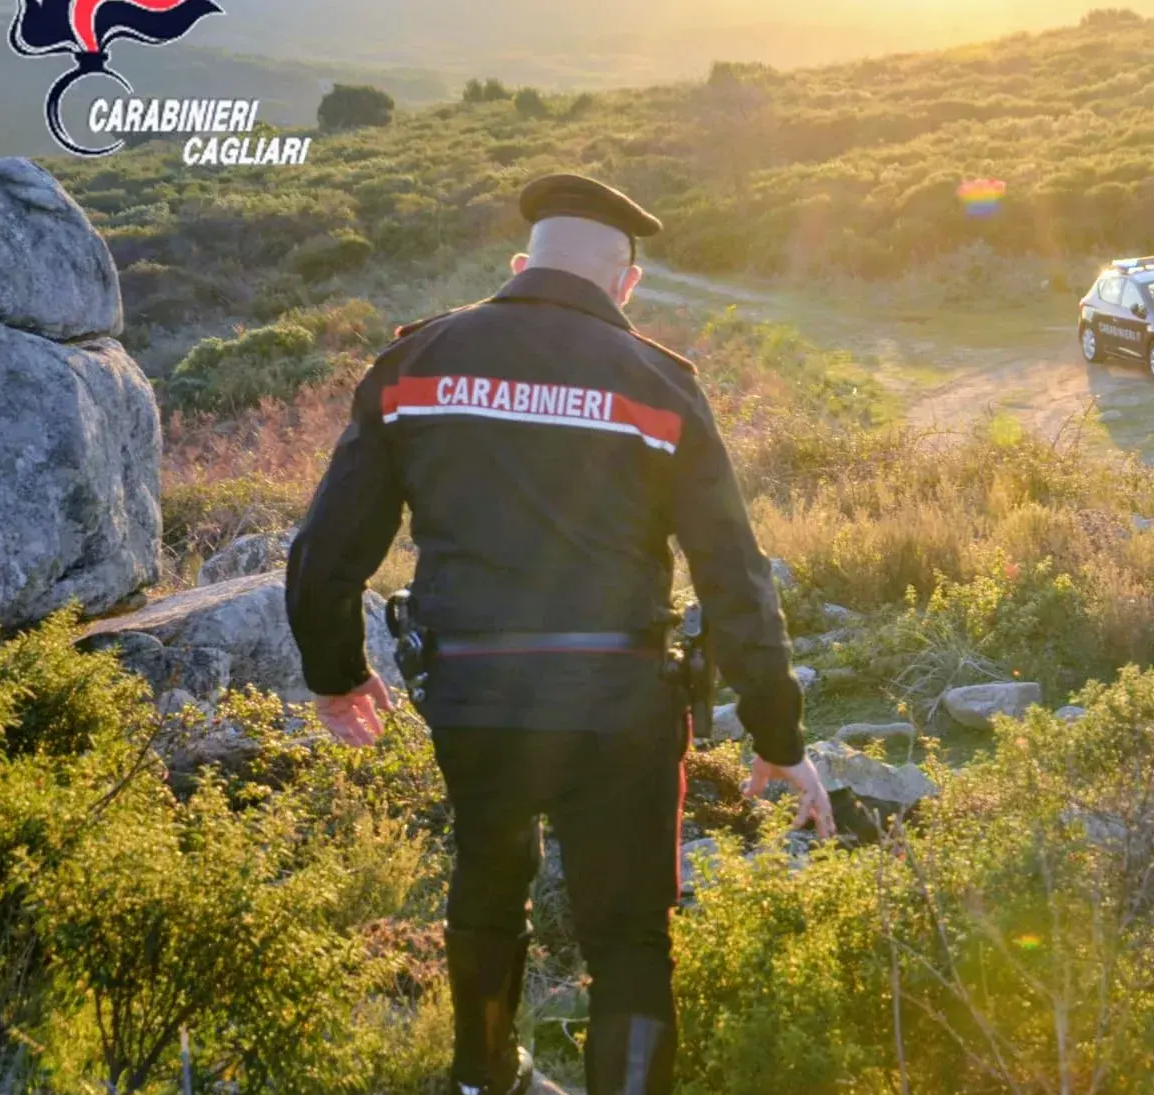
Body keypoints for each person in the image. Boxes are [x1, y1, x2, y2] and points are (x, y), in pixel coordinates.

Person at [285, 173, 836, 1095]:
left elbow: (325, 551)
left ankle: (485, 1078)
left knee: (489, 883)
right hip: (620, 708)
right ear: (625, 285)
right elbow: (735, 575)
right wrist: (779, 734)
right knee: (628, 929)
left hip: (471, 695)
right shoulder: (662, 386)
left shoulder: (414, 367)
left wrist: (336, 673)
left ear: (518, 267)